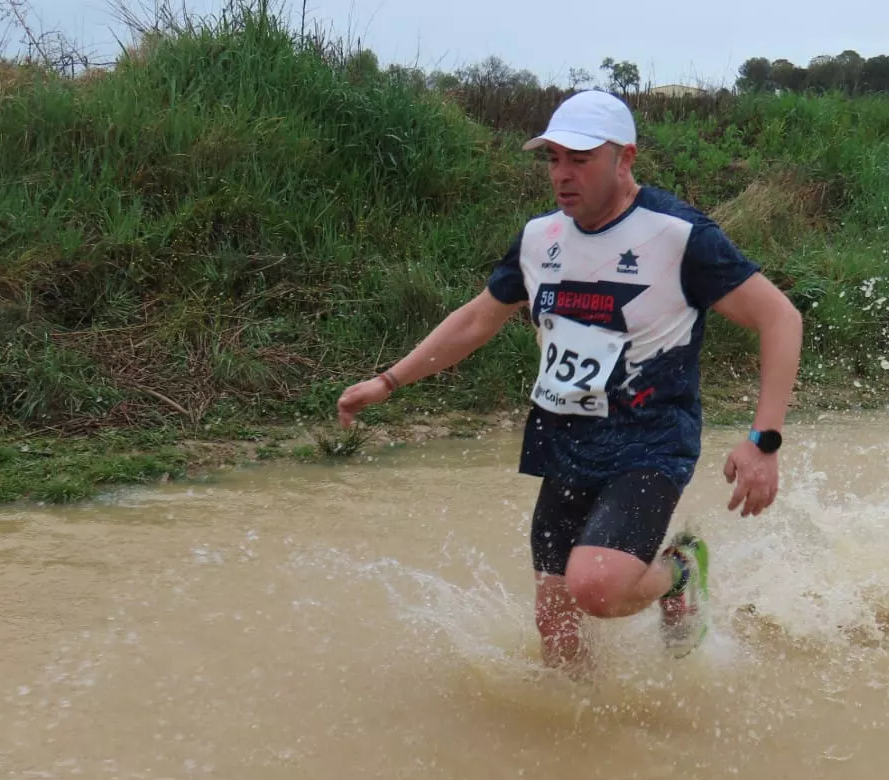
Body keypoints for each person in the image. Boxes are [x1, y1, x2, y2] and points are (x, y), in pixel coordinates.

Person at [336, 90, 801, 673]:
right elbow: (480, 317)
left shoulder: (678, 235)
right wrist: (388, 381)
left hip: (649, 437)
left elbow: (779, 317)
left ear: (624, 158)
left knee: (596, 586)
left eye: (580, 160)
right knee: (555, 629)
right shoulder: (539, 239)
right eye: (554, 159)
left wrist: (764, 441)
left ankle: (680, 569)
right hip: (564, 437)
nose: (562, 174)